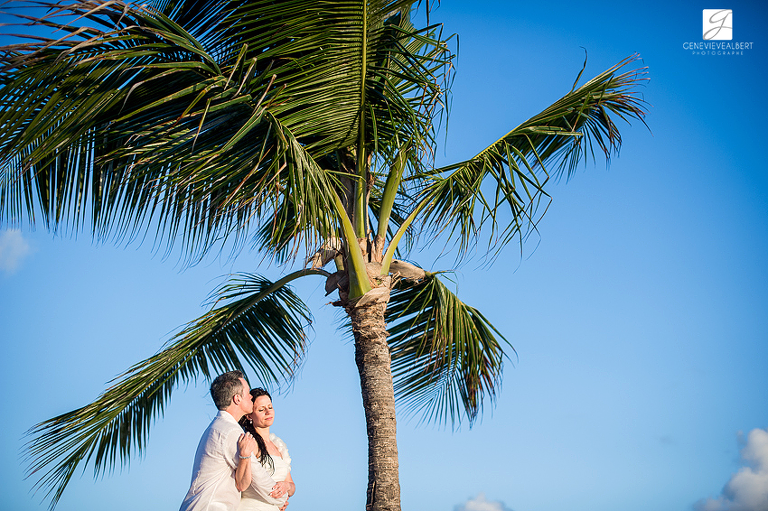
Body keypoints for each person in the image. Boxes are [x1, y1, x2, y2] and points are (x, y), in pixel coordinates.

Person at [180, 371, 284, 511]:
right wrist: (282, 498)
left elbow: (242, 483)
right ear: (237, 399)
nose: (251, 396)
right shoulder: (230, 432)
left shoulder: (219, 426)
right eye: (247, 393)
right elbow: (259, 478)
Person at [237, 389, 295, 511]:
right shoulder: (250, 443)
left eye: (270, 407)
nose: (268, 412)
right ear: (249, 415)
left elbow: (291, 485)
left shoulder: (278, 445)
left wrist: (286, 487)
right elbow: (246, 482)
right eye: (261, 410)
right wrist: (281, 498)